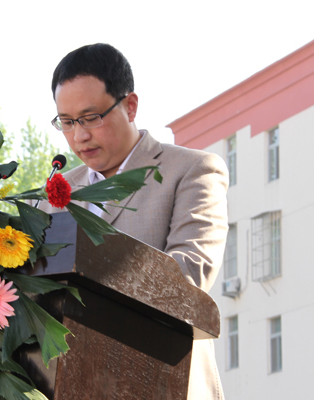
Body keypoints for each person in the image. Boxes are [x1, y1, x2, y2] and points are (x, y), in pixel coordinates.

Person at [38, 43, 229, 399]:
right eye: (67, 122)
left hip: (163, 381)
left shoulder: (191, 171)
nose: (79, 136)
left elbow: (190, 274)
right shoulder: (54, 194)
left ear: (130, 106)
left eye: (91, 117)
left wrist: (92, 271)